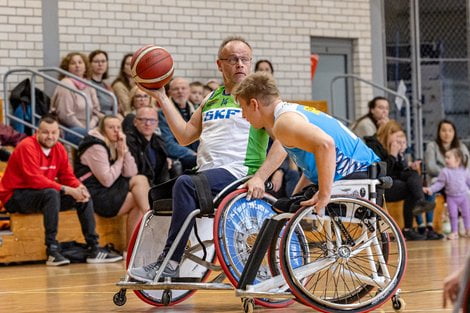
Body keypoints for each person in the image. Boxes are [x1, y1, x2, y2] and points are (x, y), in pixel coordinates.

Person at [128, 36, 286, 282]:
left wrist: (261, 176)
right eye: (233, 60)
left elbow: (284, 142)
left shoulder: (260, 98)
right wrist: (161, 96)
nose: (240, 65)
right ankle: (173, 257)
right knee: (159, 194)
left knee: (185, 184)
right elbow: (184, 136)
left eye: (245, 59)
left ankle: (170, 261)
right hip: (208, 175)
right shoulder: (211, 98)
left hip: (240, 174)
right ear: (219, 64)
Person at [233, 72, 380, 211]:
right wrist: (295, 196)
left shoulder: (284, 123)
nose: (243, 115)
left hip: (357, 172)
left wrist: (324, 194)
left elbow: (326, 144)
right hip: (365, 169)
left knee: (282, 211)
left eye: (242, 107)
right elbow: (314, 164)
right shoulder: (290, 113)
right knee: (285, 206)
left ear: (253, 104)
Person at [0, 114, 122, 265]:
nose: (50, 136)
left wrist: (79, 187)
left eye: (54, 132)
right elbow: (35, 180)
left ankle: (94, 248)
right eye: (45, 132)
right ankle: (52, 250)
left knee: (82, 196)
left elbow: (67, 175)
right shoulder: (27, 146)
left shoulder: (59, 149)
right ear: (37, 132)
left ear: (59, 133)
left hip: (40, 195)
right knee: (52, 193)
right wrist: (68, 189)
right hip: (14, 196)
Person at [75, 115, 150, 246]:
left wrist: (124, 149)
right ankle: (150, 218)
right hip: (95, 194)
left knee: (139, 188)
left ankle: (131, 250)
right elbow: (107, 180)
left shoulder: (114, 143)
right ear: (103, 130)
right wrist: (120, 158)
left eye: (118, 127)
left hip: (109, 189)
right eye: (111, 127)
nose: (116, 131)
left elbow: (131, 173)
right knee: (137, 191)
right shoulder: (95, 146)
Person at [364, 120, 435, 241]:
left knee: (412, 174)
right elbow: (381, 172)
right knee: (410, 189)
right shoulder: (373, 145)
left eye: (402, 140)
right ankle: (408, 228)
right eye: (397, 138)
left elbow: (400, 172)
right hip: (379, 184)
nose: (399, 142)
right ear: (388, 134)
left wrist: (401, 158)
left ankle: (420, 201)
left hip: (393, 181)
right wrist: (392, 155)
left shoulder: (393, 147)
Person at [50, 52, 102, 145]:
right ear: (67, 68)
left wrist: (91, 126)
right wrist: (85, 129)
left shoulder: (89, 85)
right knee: (93, 137)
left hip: (90, 127)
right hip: (69, 129)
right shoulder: (65, 84)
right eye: (73, 63)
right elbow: (66, 116)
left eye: (80, 62)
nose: (77, 65)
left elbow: (96, 111)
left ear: (85, 67)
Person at [423, 148, 470, 239]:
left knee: (467, 213)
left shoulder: (465, 171)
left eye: (448, 158)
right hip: (451, 198)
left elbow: (469, 182)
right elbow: (439, 183)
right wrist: (431, 189)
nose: (446, 160)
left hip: (463, 197)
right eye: (445, 157)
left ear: (457, 159)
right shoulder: (445, 172)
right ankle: (454, 232)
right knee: (452, 215)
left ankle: (468, 229)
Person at [158, 77, 198, 171]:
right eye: (176, 89)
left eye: (183, 88)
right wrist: (193, 154)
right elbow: (168, 144)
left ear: (189, 91)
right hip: (179, 157)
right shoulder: (162, 113)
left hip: (197, 155)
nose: (180, 91)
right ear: (169, 92)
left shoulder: (197, 111)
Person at [125, 106, 171, 186]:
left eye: (152, 120)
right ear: (135, 122)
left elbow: (162, 175)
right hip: (140, 186)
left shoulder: (159, 141)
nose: (148, 124)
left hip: (156, 187)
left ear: (157, 124)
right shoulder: (128, 141)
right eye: (143, 120)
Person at [88, 50, 116, 116]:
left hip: (111, 116)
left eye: (103, 61)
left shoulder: (107, 85)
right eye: (96, 62)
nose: (100, 64)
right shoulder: (87, 84)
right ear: (90, 64)